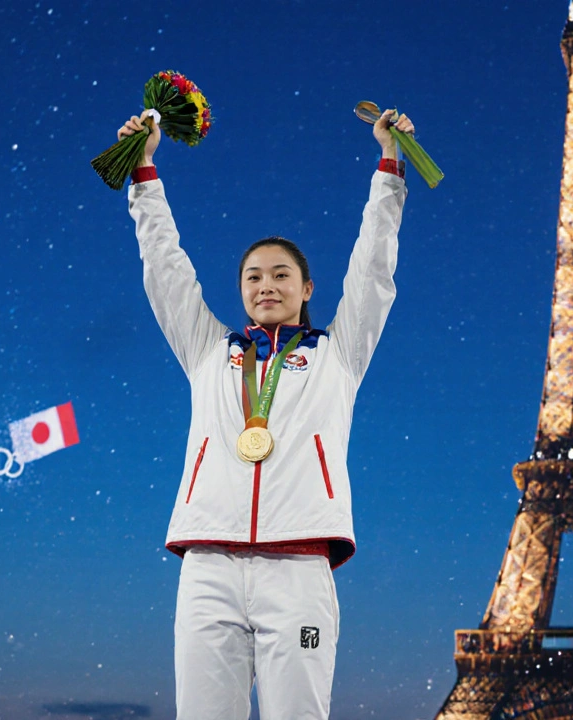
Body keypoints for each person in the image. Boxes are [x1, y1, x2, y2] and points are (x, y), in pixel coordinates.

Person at [118, 105, 414, 719]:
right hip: (208, 566)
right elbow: (165, 270)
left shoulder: (340, 353)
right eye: (253, 277)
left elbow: (373, 271)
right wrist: (143, 172)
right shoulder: (208, 350)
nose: (266, 286)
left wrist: (388, 169)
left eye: (282, 275)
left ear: (308, 289)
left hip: (299, 568)